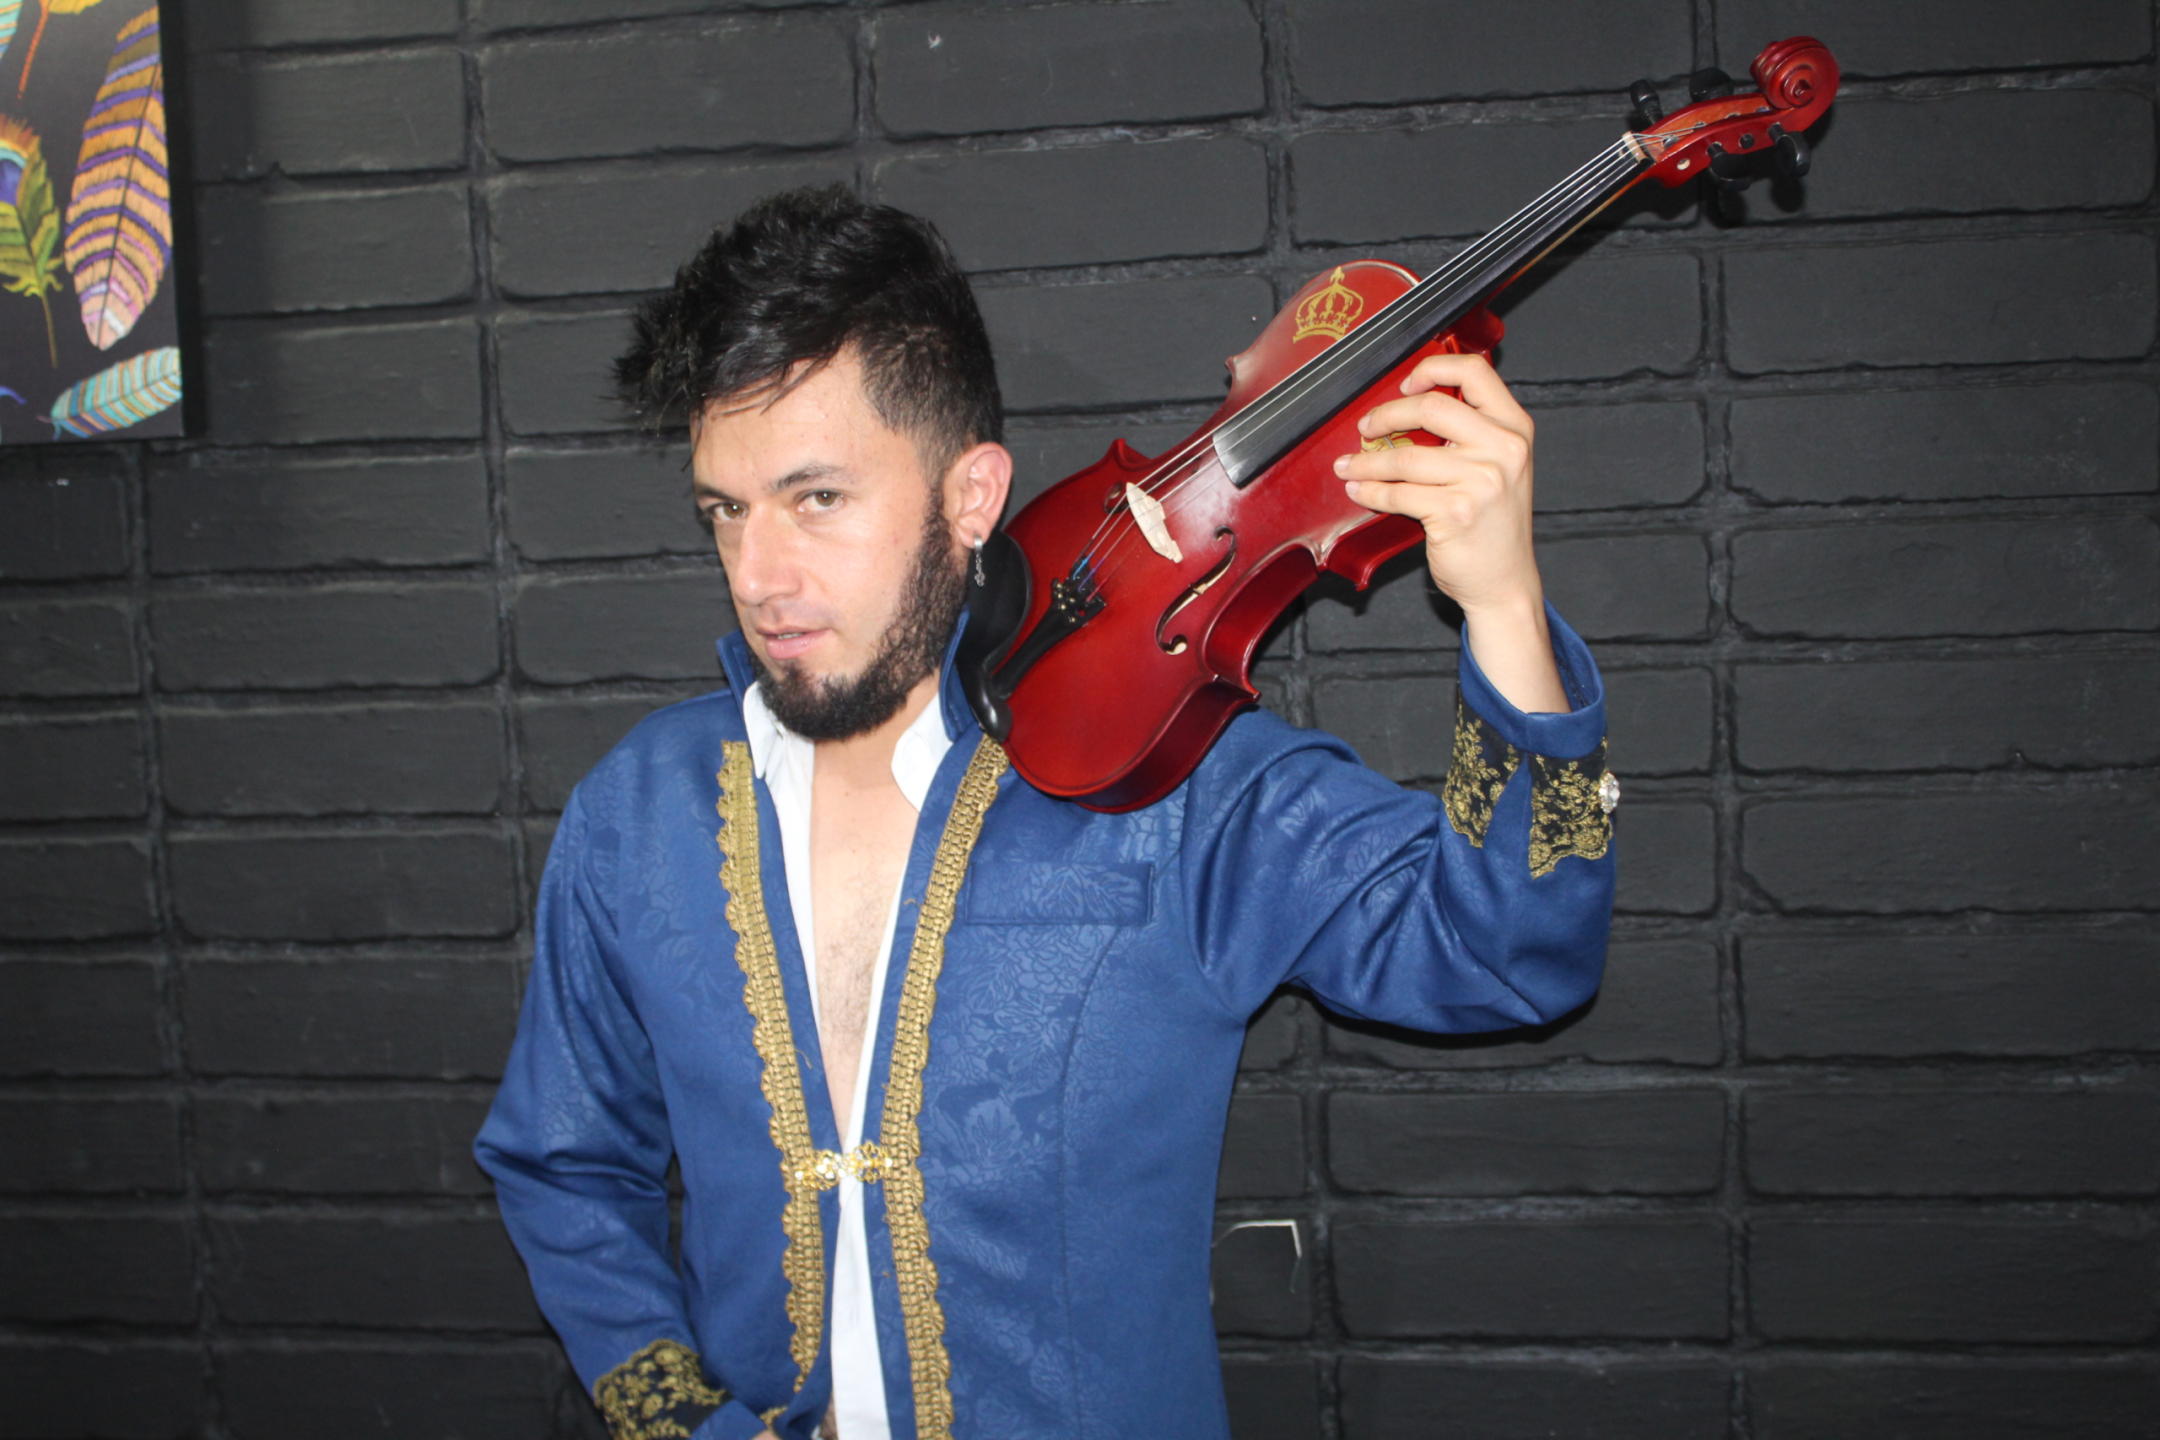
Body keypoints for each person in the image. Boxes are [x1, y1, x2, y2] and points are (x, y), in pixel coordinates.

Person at [474, 184, 1617, 1440]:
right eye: (725, 512)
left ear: (971, 497)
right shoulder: (640, 807)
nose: (759, 577)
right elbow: (561, 1160)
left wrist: (1502, 603)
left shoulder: (1176, 790)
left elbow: (1510, 955)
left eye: (817, 500)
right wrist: (675, 1419)